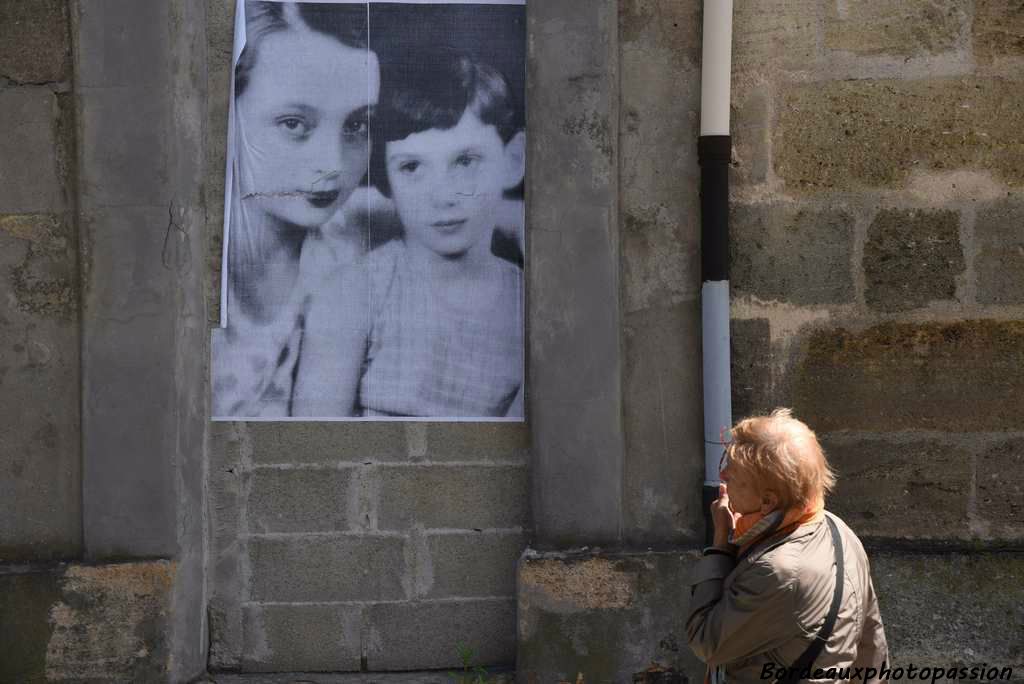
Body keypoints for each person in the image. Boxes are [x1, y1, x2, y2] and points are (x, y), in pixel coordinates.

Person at [294, 52, 526, 418]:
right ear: (386, 179)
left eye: (465, 161)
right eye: (412, 167)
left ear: (513, 161)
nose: (443, 196)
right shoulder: (354, 294)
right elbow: (313, 445)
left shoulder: (529, 306)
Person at [211, 1, 378, 418]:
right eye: (294, 124)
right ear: (228, 114)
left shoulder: (357, 239)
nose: (335, 164)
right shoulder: (178, 249)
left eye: (357, 125)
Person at [687, 409, 888, 683]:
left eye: (732, 474)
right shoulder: (839, 530)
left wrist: (721, 543)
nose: (722, 475)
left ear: (768, 502)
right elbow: (870, 643)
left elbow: (706, 640)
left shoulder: (779, 572)